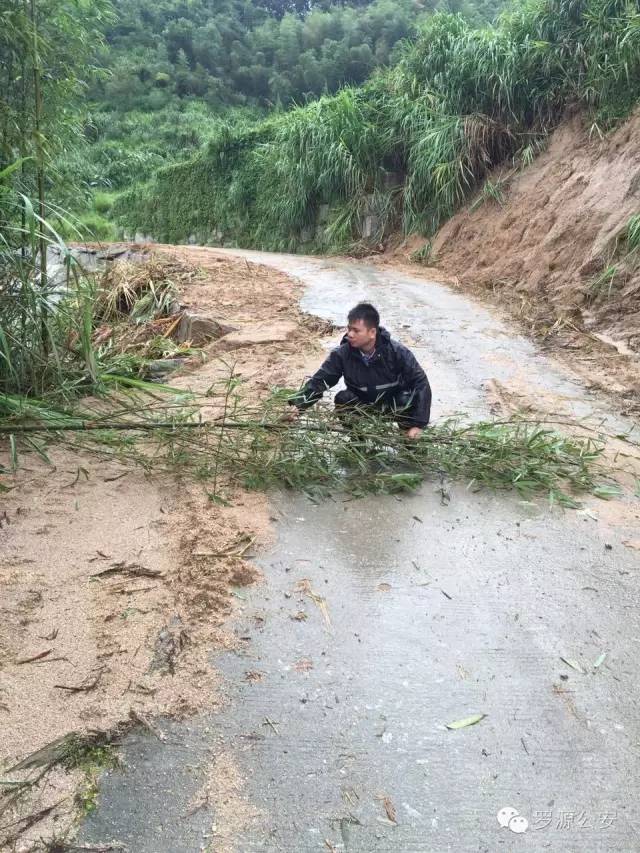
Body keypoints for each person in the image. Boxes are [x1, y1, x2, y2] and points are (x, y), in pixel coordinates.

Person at [288, 302, 431, 439]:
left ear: (372, 332)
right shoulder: (341, 354)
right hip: (364, 405)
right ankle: (359, 441)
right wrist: (298, 406)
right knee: (342, 399)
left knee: (407, 400)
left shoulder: (397, 352)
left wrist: (418, 424)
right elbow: (320, 381)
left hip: (393, 404)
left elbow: (421, 383)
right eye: (349, 329)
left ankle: (408, 436)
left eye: (356, 330)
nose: (350, 334)